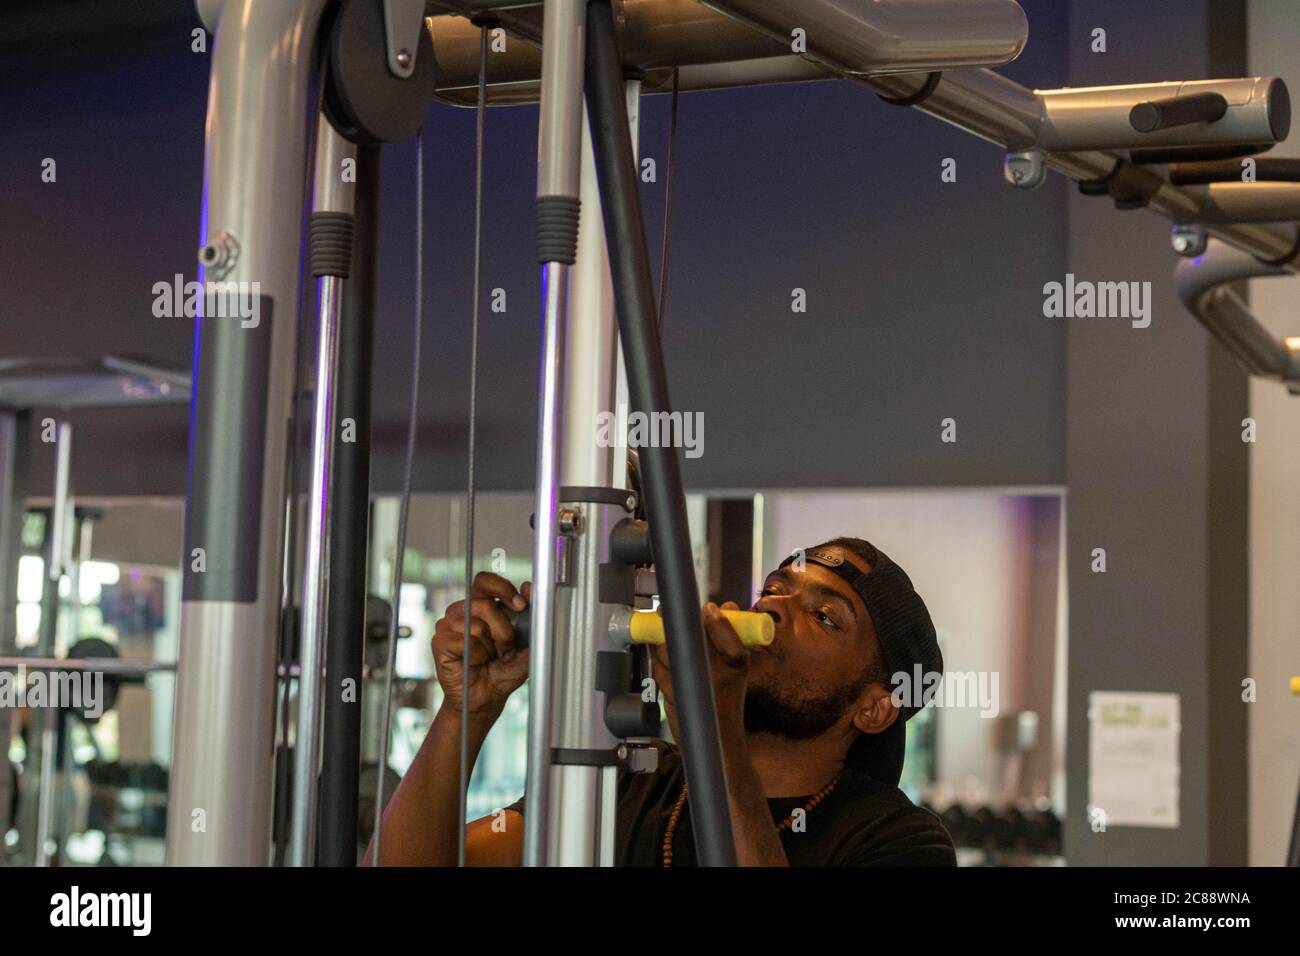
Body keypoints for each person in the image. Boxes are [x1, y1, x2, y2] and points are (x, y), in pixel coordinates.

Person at [367, 536, 955, 866]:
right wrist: (467, 710)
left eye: (824, 616)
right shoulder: (630, 783)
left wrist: (710, 726)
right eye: (775, 590)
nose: (774, 609)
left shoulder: (898, 841)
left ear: (876, 707)